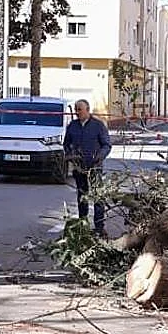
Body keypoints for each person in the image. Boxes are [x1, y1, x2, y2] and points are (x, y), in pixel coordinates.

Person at [63, 99, 112, 235]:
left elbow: (107, 145)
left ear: (87, 110)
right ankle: (83, 225)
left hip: (95, 168)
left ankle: (99, 227)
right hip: (79, 169)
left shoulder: (98, 125)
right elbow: (66, 144)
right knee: (82, 197)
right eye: (76, 109)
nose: (77, 112)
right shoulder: (72, 126)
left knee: (97, 197)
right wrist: (71, 155)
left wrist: (99, 157)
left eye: (80, 109)